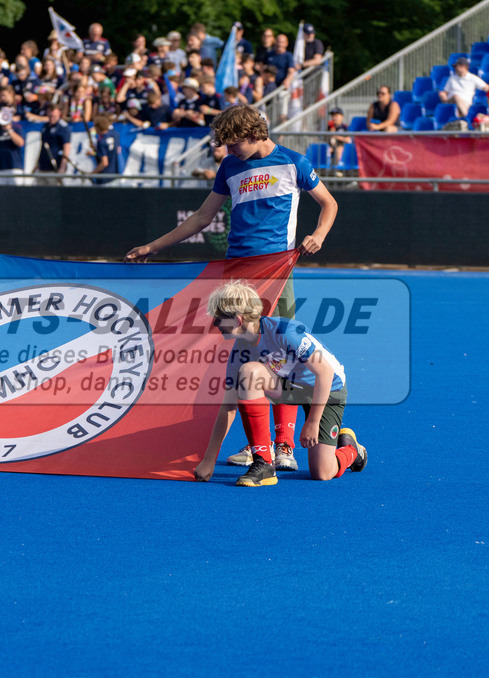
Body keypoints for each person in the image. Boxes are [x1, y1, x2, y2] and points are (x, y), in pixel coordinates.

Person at [125, 104, 339, 471]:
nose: (228, 150)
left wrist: (318, 235)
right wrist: (153, 246)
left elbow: (328, 203)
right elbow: (202, 217)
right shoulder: (229, 167)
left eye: (234, 143)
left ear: (255, 134)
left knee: (280, 357)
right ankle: (261, 447)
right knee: (245, 361)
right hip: (236, 276)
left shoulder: (294, 162)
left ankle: (285, 445)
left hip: (277, 272)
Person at [192, 280, 367, 486]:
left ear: (238, 320)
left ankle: (353, 450)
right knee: (249, 372)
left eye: (219, 318)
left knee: (322, 472)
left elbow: (325, 374)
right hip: (289, 388)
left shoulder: (285, 331)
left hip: (328, 390)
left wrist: (312, 422)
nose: (215, 324)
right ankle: (263, 463)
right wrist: (209, 460)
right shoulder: (239, 352)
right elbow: (228, 409)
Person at [0, 109, 26, 185]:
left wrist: (10, 130)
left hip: (14, 167)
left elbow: (20, 143)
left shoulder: (17, 128)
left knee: (15, 193)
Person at [36, 103, 71, 184]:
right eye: (50, 116)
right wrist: (37, 165)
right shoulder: (45, 127)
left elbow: (66, 147)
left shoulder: (62, 127)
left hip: (55, 167)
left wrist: (62, 167)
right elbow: (42, 147)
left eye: (54, 116)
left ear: (59, 114)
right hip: (43, 166)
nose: (52, 118)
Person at [90, 114, 122, 184]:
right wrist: (96, 149)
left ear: (98, 127)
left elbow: (104, 163)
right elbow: (110, 150)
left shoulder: (101, 140)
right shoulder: (115, 135)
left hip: (105, 177)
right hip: (116, 174)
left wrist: (92, 173)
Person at [327, 107, 350, 172]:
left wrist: (335, 136)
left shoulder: (345, 127)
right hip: (331, 147)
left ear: (342, 116)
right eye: (333, 115)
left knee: (339, 149)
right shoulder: (330, 127)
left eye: (336, 115)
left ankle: (339, 170)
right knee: (325, 149)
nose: (334, 118)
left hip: (342, 147)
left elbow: (348, 140)